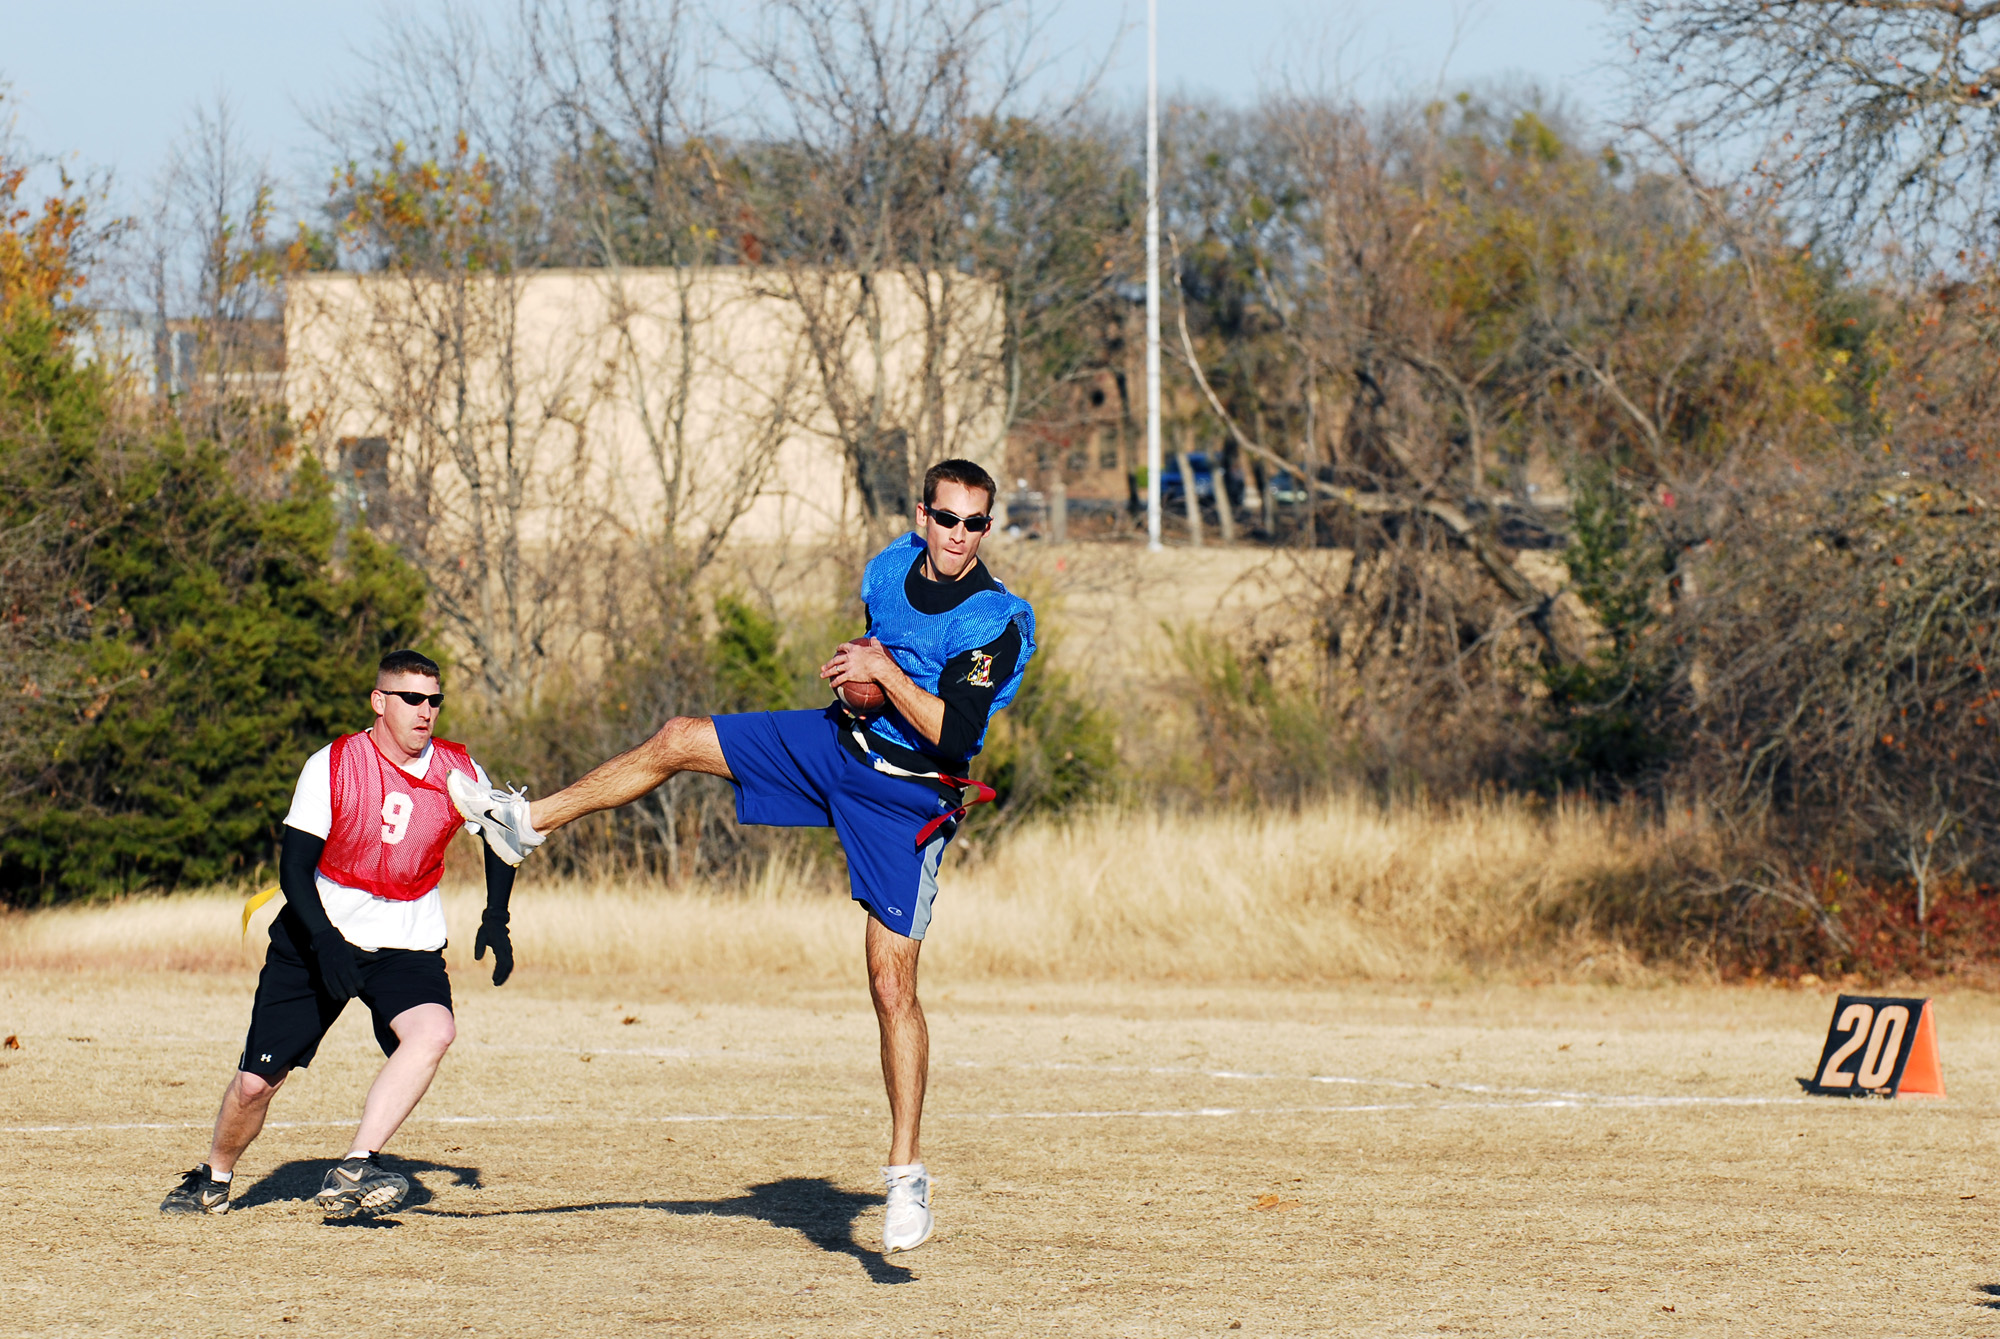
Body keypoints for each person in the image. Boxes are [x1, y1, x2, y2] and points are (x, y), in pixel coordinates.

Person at [449, 458, 1036, 1254]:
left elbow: (958, 734)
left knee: (890, 982)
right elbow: (872, 653)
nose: (961, 536)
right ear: (922, 514)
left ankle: (905, 1178)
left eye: (977, 523)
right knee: (679, 737)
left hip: (909, 796)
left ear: (988, 527)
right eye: (948, 518)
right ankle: (529, 822)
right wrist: (858, 673)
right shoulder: (888, 565)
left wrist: (883, 672)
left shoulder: (990, 618)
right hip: (837, 744)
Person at [159, 650, 519, 1219]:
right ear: (379, 702)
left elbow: (504, 832)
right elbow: (295, 868)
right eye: (412, 699)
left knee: (434, 1032)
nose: (426, 712)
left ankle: (357, 1165)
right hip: (317, 932)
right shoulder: (332, 763)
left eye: (434, 701)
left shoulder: (458, 770)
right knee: (256, 1083)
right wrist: (326, 942)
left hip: (408, 939)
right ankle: (213, 1176)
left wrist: (495, 915)